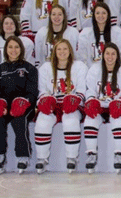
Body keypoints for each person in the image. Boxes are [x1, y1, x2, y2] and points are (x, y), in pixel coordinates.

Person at [35, 39, 88, 174]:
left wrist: (75, 100)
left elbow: (82, 90)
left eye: (65, 49)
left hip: (71, 105)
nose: (62, 52)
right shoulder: (46, 68)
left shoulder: (79, 66)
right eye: (59, 49)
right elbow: (42, 91)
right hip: (53, 104)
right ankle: (42, 158)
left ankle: (72, 157)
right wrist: (45, 100)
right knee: (42, 122)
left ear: (70, 50)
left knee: (70, 121)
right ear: (54, 51)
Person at [0, 36, 39, 173]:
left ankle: (23, 156)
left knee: (19, 121)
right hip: (5, 108)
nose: (13, 50)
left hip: (24, 107)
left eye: (16, 47)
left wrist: (23, 103)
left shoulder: (29, 69)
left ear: (21, 49)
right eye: (10, 47)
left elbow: (33, 92)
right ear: (6, 50)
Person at [83, 42, 121, 174]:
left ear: (118, 56)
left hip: (116, 107)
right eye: (107, 53)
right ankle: (91, 154)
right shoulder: (95, 69)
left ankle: (119, 154)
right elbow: (90, 89)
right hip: (100, 106)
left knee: (119, 121)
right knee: (90, 119)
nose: (110, 57)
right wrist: (91, 100)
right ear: (103, 55)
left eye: (113, 54)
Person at [77, 2, 121, 68]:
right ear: (94, 15)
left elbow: (119, 56)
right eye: (97, 13)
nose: (100, 16)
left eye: (103, 13)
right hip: (92, 73)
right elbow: (82, 58)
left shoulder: (117, 32)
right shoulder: (85, 34)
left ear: (108, 15)